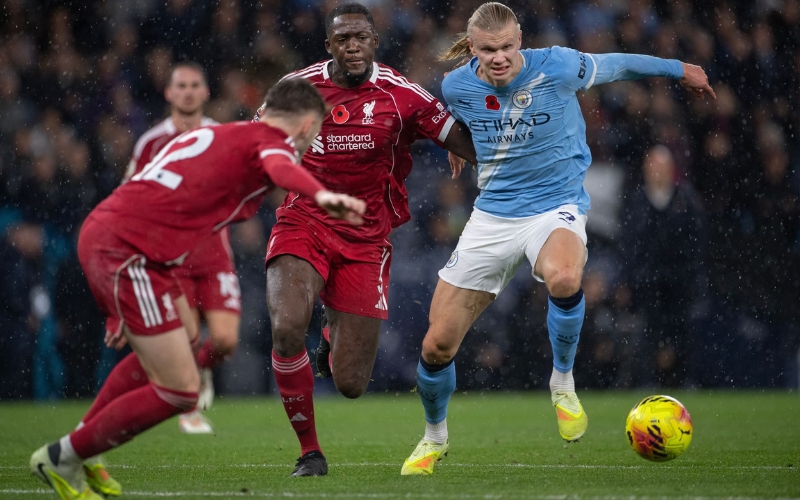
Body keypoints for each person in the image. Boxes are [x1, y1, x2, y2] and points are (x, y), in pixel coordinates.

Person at [400, 1, 715, 476]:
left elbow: (620, 64)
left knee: (565, 276)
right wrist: (459, 148)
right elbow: (465, 122)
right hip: (491, 217)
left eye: (507, 46)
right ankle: (434, 437)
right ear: (474, 48)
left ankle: (562, 383)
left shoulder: (559, 65)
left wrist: (678, 68)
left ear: (520, 39)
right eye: (489, 50)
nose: (500, 57)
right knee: (436, 346)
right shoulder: (456, 85)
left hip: (555, 205)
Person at [28, 78, 366, 500]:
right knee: (180, 389)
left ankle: (85, 446)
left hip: (123, 243)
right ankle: (65, 454)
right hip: (129, 253)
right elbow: (281, 165)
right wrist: (322, 194)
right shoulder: (272, 142)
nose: (308, 147)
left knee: (181, 348)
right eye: (312, 137)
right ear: (306, 125)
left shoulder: (215, 132)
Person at [262, 2, 476, 477]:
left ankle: (328, 333)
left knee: (351, 383)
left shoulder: (402, 95)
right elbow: (255, 145)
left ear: (375, 43)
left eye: (361, 37)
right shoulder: (297, 90)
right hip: (305, 220)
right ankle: (310, 452)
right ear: (329, 46)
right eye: (343, 39)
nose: (352, 46)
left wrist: (473, 149)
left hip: (365, 240)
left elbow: (465, 141)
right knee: (284, 326)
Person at [122, 61, 235, 434]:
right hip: (170, 259)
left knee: (224, 340)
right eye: (181, 85)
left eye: (194, 85)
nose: (187, 91)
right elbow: (129, 195)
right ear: (168, 93)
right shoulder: (151, 142)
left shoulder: (224, 135)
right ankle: (189, 405)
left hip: (215, 253)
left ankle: (200, 370)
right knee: (186, 337)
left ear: (205, 92)